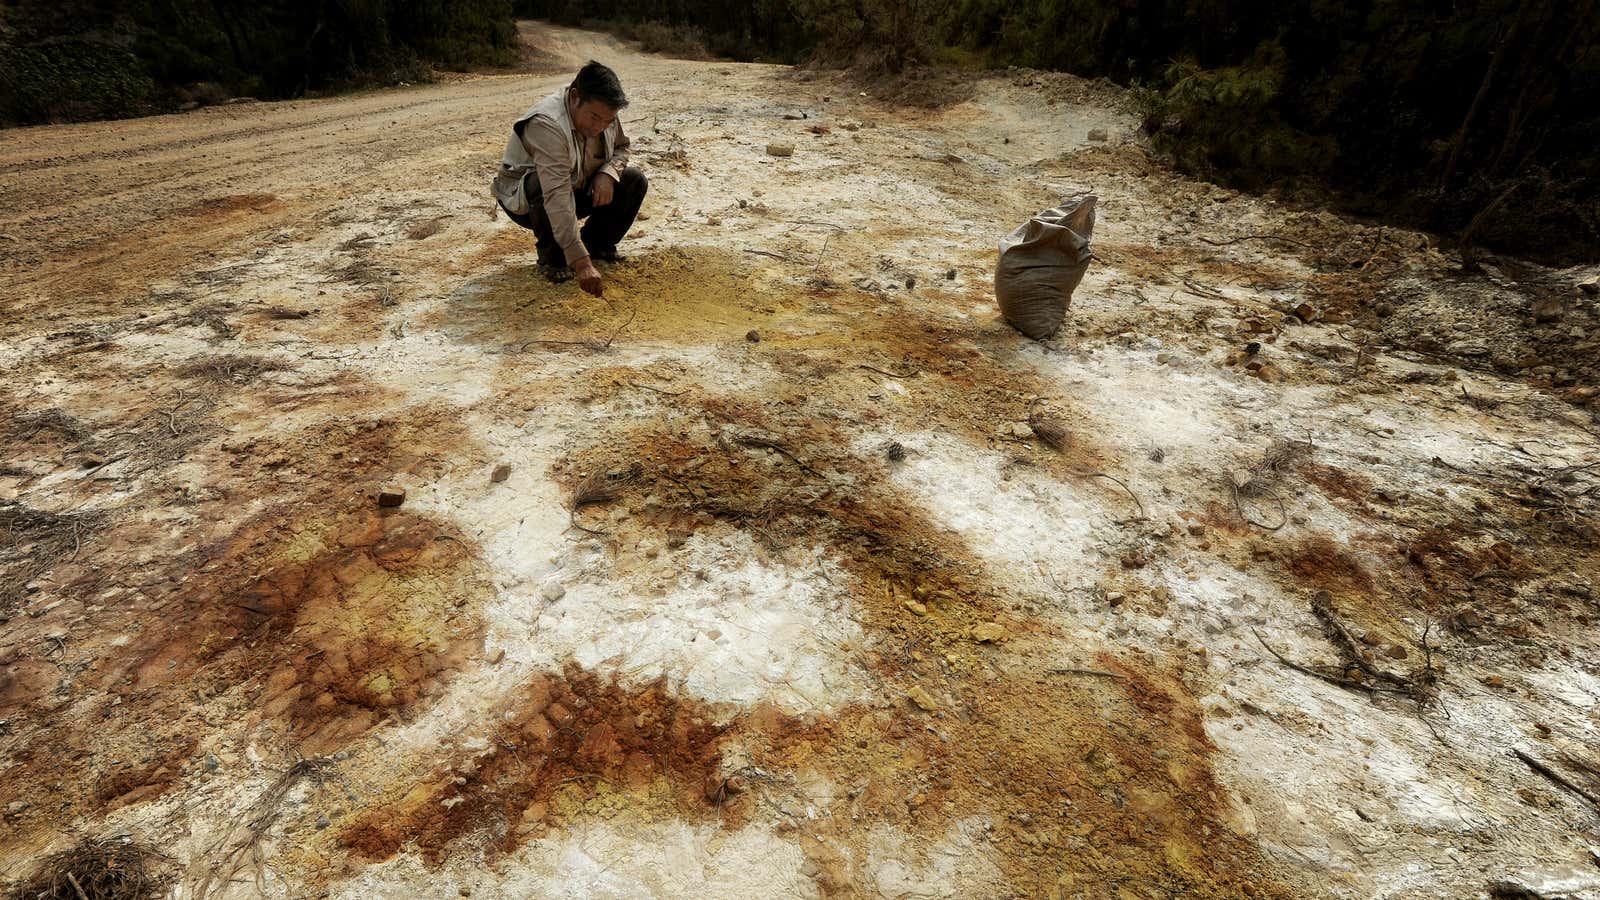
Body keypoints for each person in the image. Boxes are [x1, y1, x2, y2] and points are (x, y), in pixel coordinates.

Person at [492, 60, 648, 297]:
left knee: (633, 180)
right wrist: (581, 264)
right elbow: (556, 194)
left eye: (607, 121)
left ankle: (597, 245)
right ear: (575, 97)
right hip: (529, 200)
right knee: (540, 184)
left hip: (577, 187)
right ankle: (553, 258)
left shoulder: (604, 112)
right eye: (595, 118)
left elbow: (621, 149)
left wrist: (607, 173)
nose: (600, 127)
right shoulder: (547, 124)